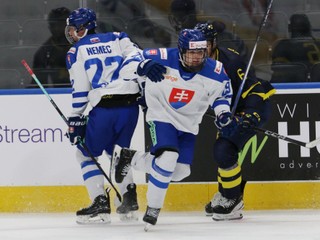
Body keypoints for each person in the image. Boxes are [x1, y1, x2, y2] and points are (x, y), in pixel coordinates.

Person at [112, 28, 241, 230]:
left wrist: (223, 113)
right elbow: (124, 70)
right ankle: (153, 210)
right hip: (160, 116)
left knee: (180, 171)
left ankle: (132, 159)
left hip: (189, 125)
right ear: (181, 51)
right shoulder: (161, 57)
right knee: (168, 157)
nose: (197, 58)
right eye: (192, 53)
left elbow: (221, 97)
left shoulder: (215, 70)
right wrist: (142, 66)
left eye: (201, 52)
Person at [64, 7, 142, 224]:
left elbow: (80, 88)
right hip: (130, 107)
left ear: (83, 28)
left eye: (73, 29)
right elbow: (138, 58)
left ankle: (99, 203)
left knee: (85, 153)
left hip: (105, 108)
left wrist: (76, 116)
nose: (71, 34)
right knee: (118, 154)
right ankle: (129, 200)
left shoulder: (76, 50)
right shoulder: (119, 37)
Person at [194, 22, 275, 220]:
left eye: (204, 44)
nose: (199, 49)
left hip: (249, 107)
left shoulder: (230, 62)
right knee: (223, 150)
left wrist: (251, 114)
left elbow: (254, 87)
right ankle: (225, 194)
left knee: (224, 150)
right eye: (195, 44)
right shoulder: (190, 60)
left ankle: (232, 199)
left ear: (213, 43)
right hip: (227, 111)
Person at [168, 0, 248, 59]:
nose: (177, 21)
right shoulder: (179, 35)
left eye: (181, 17)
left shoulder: (211, 33)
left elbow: (232, 60)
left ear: (192, 15)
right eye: (175, 17)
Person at [271, 13, 320, 82]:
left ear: (290, 28)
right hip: (316, 82)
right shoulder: (318, 43)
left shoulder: (284, 45)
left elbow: (277, 69)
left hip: (294, 83)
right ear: (309, 26)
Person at [31, 7, 71, 88]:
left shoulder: (83, 47)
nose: (57, 28)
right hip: (59, 94)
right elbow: (38, 86)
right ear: (50, 27)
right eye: (53, 25)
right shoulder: (42, 54)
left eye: (60, 24)